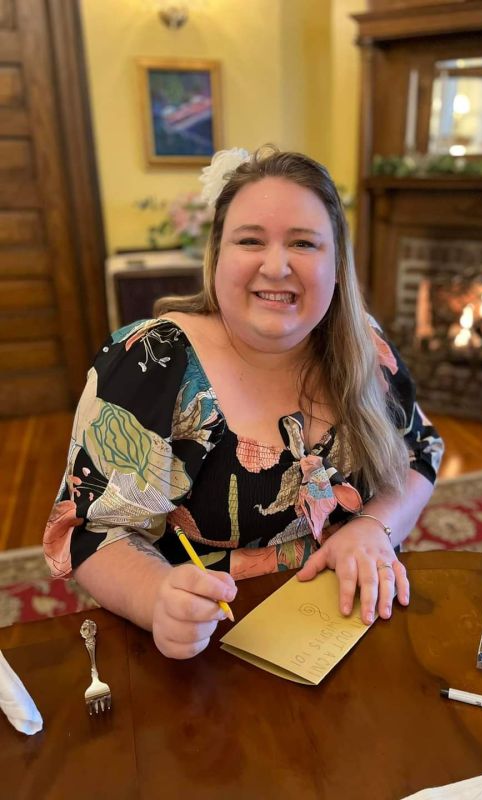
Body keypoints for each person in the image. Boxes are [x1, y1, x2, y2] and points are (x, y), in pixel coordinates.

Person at [43, 146, 444, 659]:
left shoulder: (364, 344)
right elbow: (91, 530)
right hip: (212, 647)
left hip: (360, 624)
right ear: (217, 257)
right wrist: (156, 598)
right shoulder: (151, 360)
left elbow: (421, 449)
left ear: (338, 266)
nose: (276, 266)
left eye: (304, 243)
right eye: (250, 240)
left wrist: (373, 526)